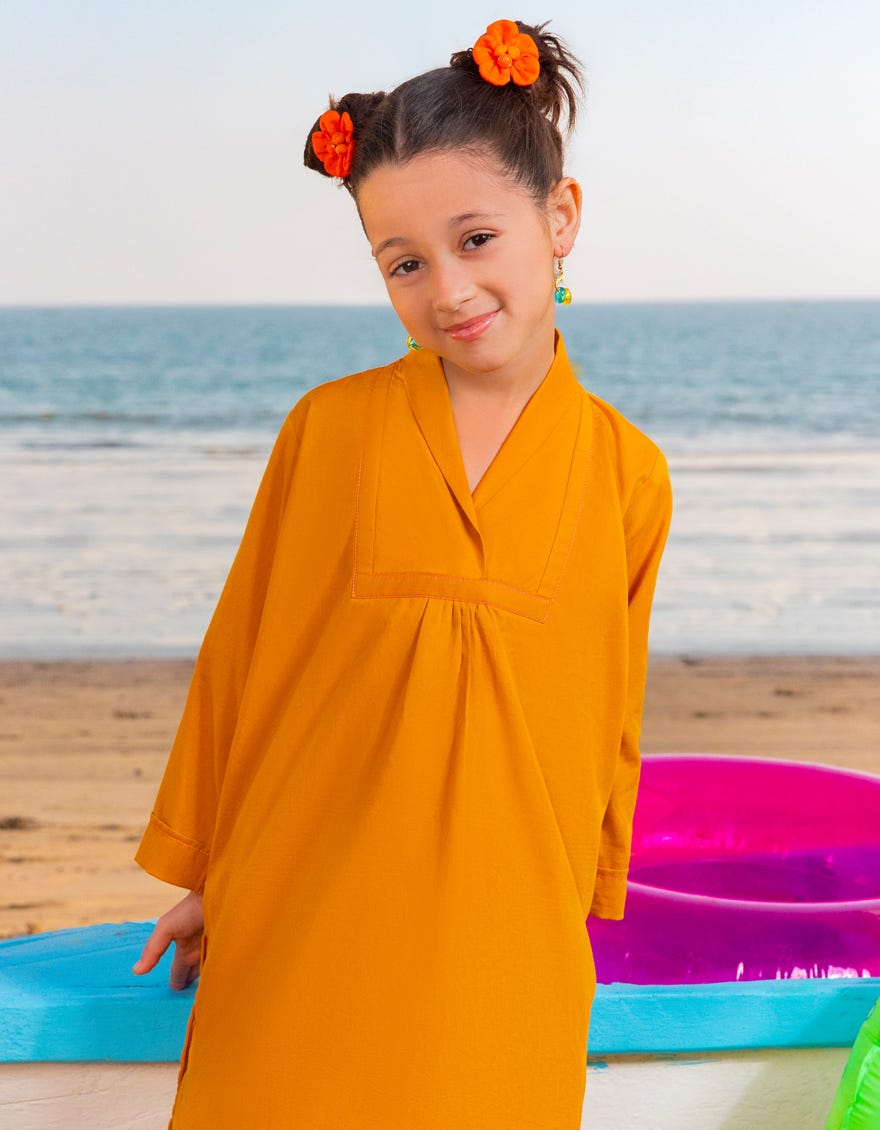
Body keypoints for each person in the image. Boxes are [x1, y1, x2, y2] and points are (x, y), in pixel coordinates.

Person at [132, 18, 672, 1129]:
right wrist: (209, 871)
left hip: (510, 934)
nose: (449, 289)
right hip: (301, 910)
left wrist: (590, 890)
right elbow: (242, 655)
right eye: (406, 263)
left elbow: (609, 711)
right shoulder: (327, 428)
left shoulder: (630, 474)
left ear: (559, 219)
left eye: (476, 239)